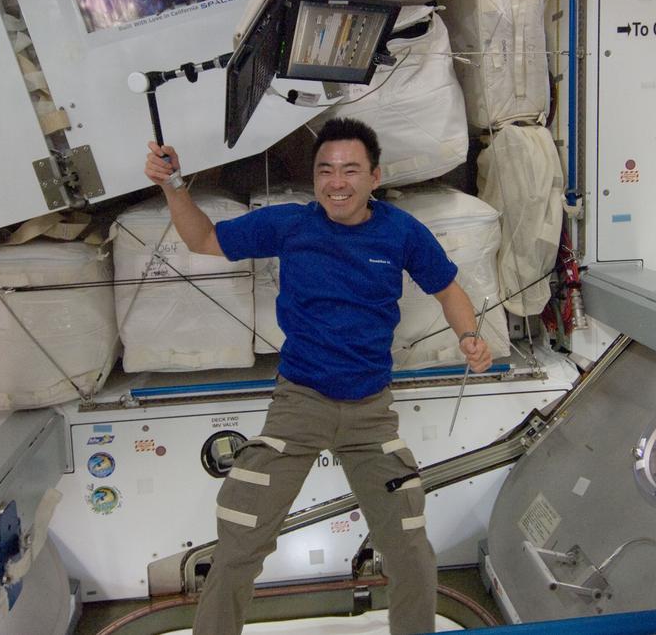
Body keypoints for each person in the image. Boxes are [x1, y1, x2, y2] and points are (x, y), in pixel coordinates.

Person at [143, 118, 491, 635]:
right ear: (314, 179)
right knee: (239, 537)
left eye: (350, 169)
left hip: (372, 414)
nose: (337, 181)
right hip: (298, 407)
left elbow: (448, 289)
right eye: (325, 170)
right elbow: (203, 238)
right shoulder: (291, 225)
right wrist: (173, 185)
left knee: (411, 548)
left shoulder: (401, 232)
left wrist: (469, 336)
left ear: (374, 177)